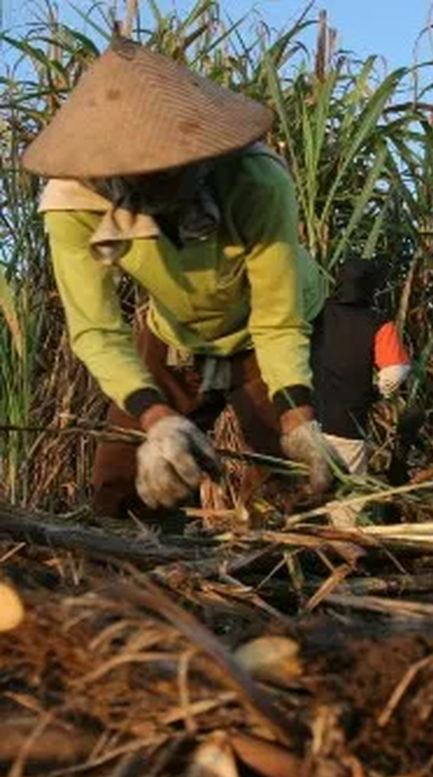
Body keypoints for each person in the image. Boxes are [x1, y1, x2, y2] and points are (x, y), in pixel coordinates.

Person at [23, 36, 336, 518]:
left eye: (172, 171)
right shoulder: (73, 203)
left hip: (267, 332)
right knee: (123, 489)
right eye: (140, 174)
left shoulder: (256, 181)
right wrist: (156, 415)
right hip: (176, 335)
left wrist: (298, 419)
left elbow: (278, 320)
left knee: (292, 487)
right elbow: (96, 330)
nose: (157, 183)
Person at [310, 256, 411, 526]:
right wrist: (377, 393)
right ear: (371, 287)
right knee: (346, 499)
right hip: (349, 422)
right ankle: (342, 555)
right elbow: (394, 373)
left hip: (307, 419)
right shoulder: (378, 322)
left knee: (306, 493)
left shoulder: (317, 313)